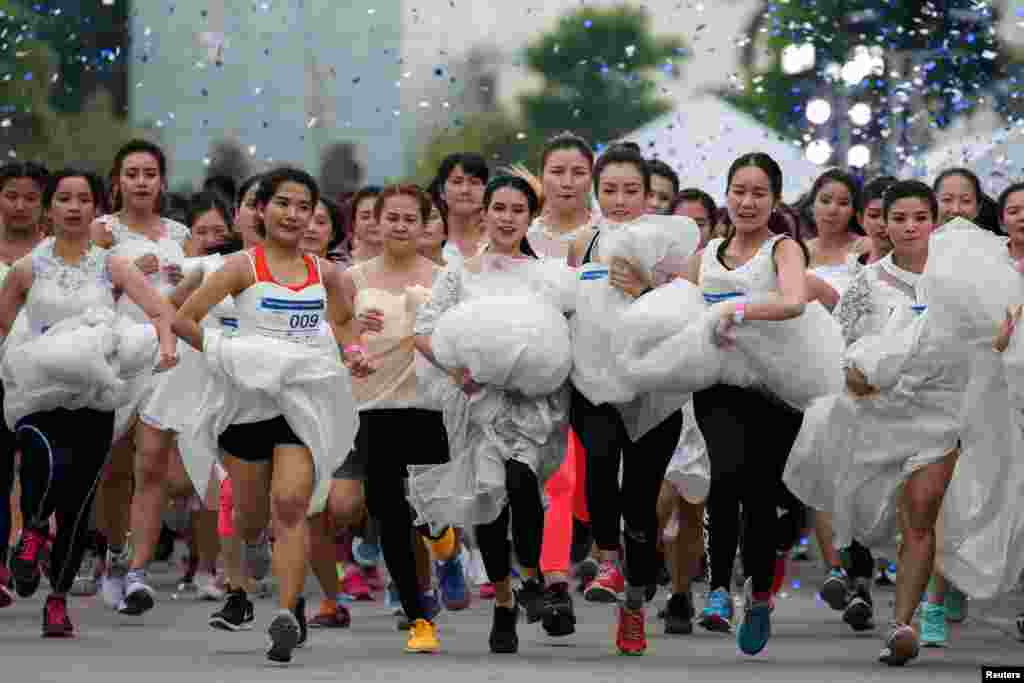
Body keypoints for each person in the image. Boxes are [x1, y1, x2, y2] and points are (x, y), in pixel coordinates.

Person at [172, 167, 365, 664]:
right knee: (254, 517)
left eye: (305, 207)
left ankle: (286, 611)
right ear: (262, 209)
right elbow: (182, 320)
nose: (293, 215)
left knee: (292, 504)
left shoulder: (328, 274)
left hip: (301, 407)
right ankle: (254, 561)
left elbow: (342, 328)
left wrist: (354, 350)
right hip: (245, 406)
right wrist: (229, 353)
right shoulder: (240, 267)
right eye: (283, 203)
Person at [0, 169, 178, 636]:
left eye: (83, 199)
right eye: (64, 199)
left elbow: (160, 309)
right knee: (40, 468)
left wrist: (166, 345)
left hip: (98, 394)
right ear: (50, 209)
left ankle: (56, 600)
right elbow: (1, 328)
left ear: (95, 208)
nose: (74, 207)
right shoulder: (27, 270)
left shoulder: (113, 265)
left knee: (78, 502)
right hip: (39, 392)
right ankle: (33, 531)